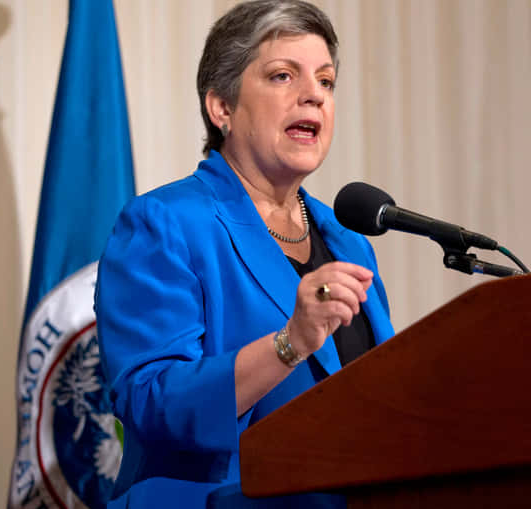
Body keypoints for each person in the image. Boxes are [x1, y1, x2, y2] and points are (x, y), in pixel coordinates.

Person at [94, 1, 395, 507]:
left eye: (326, 81)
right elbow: (151, 403)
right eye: (283, 76)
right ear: (222, 108)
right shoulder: (164, 224)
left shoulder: (348, 241)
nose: (313, 96)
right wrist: (290, 341)